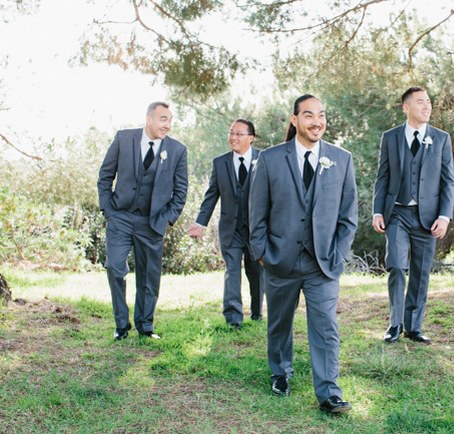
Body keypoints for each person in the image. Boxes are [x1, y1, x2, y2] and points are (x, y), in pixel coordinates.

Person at [249, 95, 358, 413]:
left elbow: (348, 215)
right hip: (279, 258)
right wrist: (262, 253)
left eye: (321, 115)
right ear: (294, 120)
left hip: (323, 262)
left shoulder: (341, 158)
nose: (317, 122)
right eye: (308, 115)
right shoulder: (270, 159)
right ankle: (280, 373)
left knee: (326, 325)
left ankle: (329, 392)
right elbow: (256, 213)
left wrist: (338, 254)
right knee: (279, 322)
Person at [98, 101, 188, 340]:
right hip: (121, 217)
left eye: (170, 120)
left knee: (149, 277)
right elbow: (105, 176)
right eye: (163, 119)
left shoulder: (178, 150)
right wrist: (108, 210)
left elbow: (180, 193)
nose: (167, 125)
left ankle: (145, 326)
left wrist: (166, 219)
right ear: (149, 119)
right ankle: (120, 325)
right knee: (115, 268)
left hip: (152, 222)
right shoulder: (123, 139)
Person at [372, 86, 454, 344]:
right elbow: (383, 177)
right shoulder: (390, 137)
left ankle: (414, 327)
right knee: (397, 265)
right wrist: (377, 210)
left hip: (428, 217)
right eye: (420, 102)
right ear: (406, 107)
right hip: (396, 213)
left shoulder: (441, 139)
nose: (427, 106)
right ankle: (395, 324)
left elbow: (448, 182)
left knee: (421, 272)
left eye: (428, 102)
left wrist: (444, 216)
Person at [188, 119, 264, 329]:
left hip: (256, 229)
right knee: (232, 270)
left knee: (256, 272)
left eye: (239, 134)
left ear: (251, 137)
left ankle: (257, 313)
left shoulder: (264, 159)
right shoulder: (219, 163)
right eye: (231, 133)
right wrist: (200, 223)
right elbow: (211, 195)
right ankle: (233, 319)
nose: (233, 137)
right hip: (230, 229)